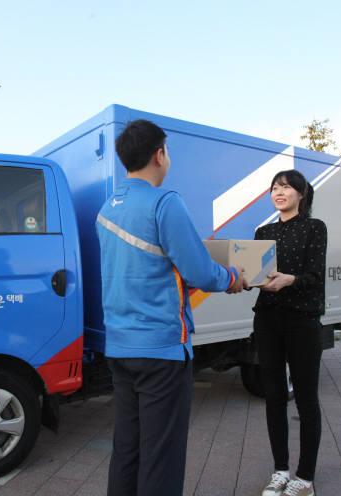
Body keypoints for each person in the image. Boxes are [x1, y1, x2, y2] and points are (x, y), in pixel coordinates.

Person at [96, 119, 247, 496]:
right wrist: (233, 277)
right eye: (168, 152)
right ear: (159, 154)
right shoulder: (165, 202)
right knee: (161, 456)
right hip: (161, 349)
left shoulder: (106, 210)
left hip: (119, 346)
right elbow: (199, 271)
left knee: (127, 450)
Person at [253, 170, 327, 496]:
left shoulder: (315, 228)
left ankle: (305, 478)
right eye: (274, 188)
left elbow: (315, 276)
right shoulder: (263, 231)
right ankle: (280, 470)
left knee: (307, 399)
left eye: (285, 187)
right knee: (274, 397)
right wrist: (240, 276)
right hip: (268, 319)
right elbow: (256, 275)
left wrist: (290, 280)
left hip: (303, 321)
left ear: (301, 193)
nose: (278, 192)